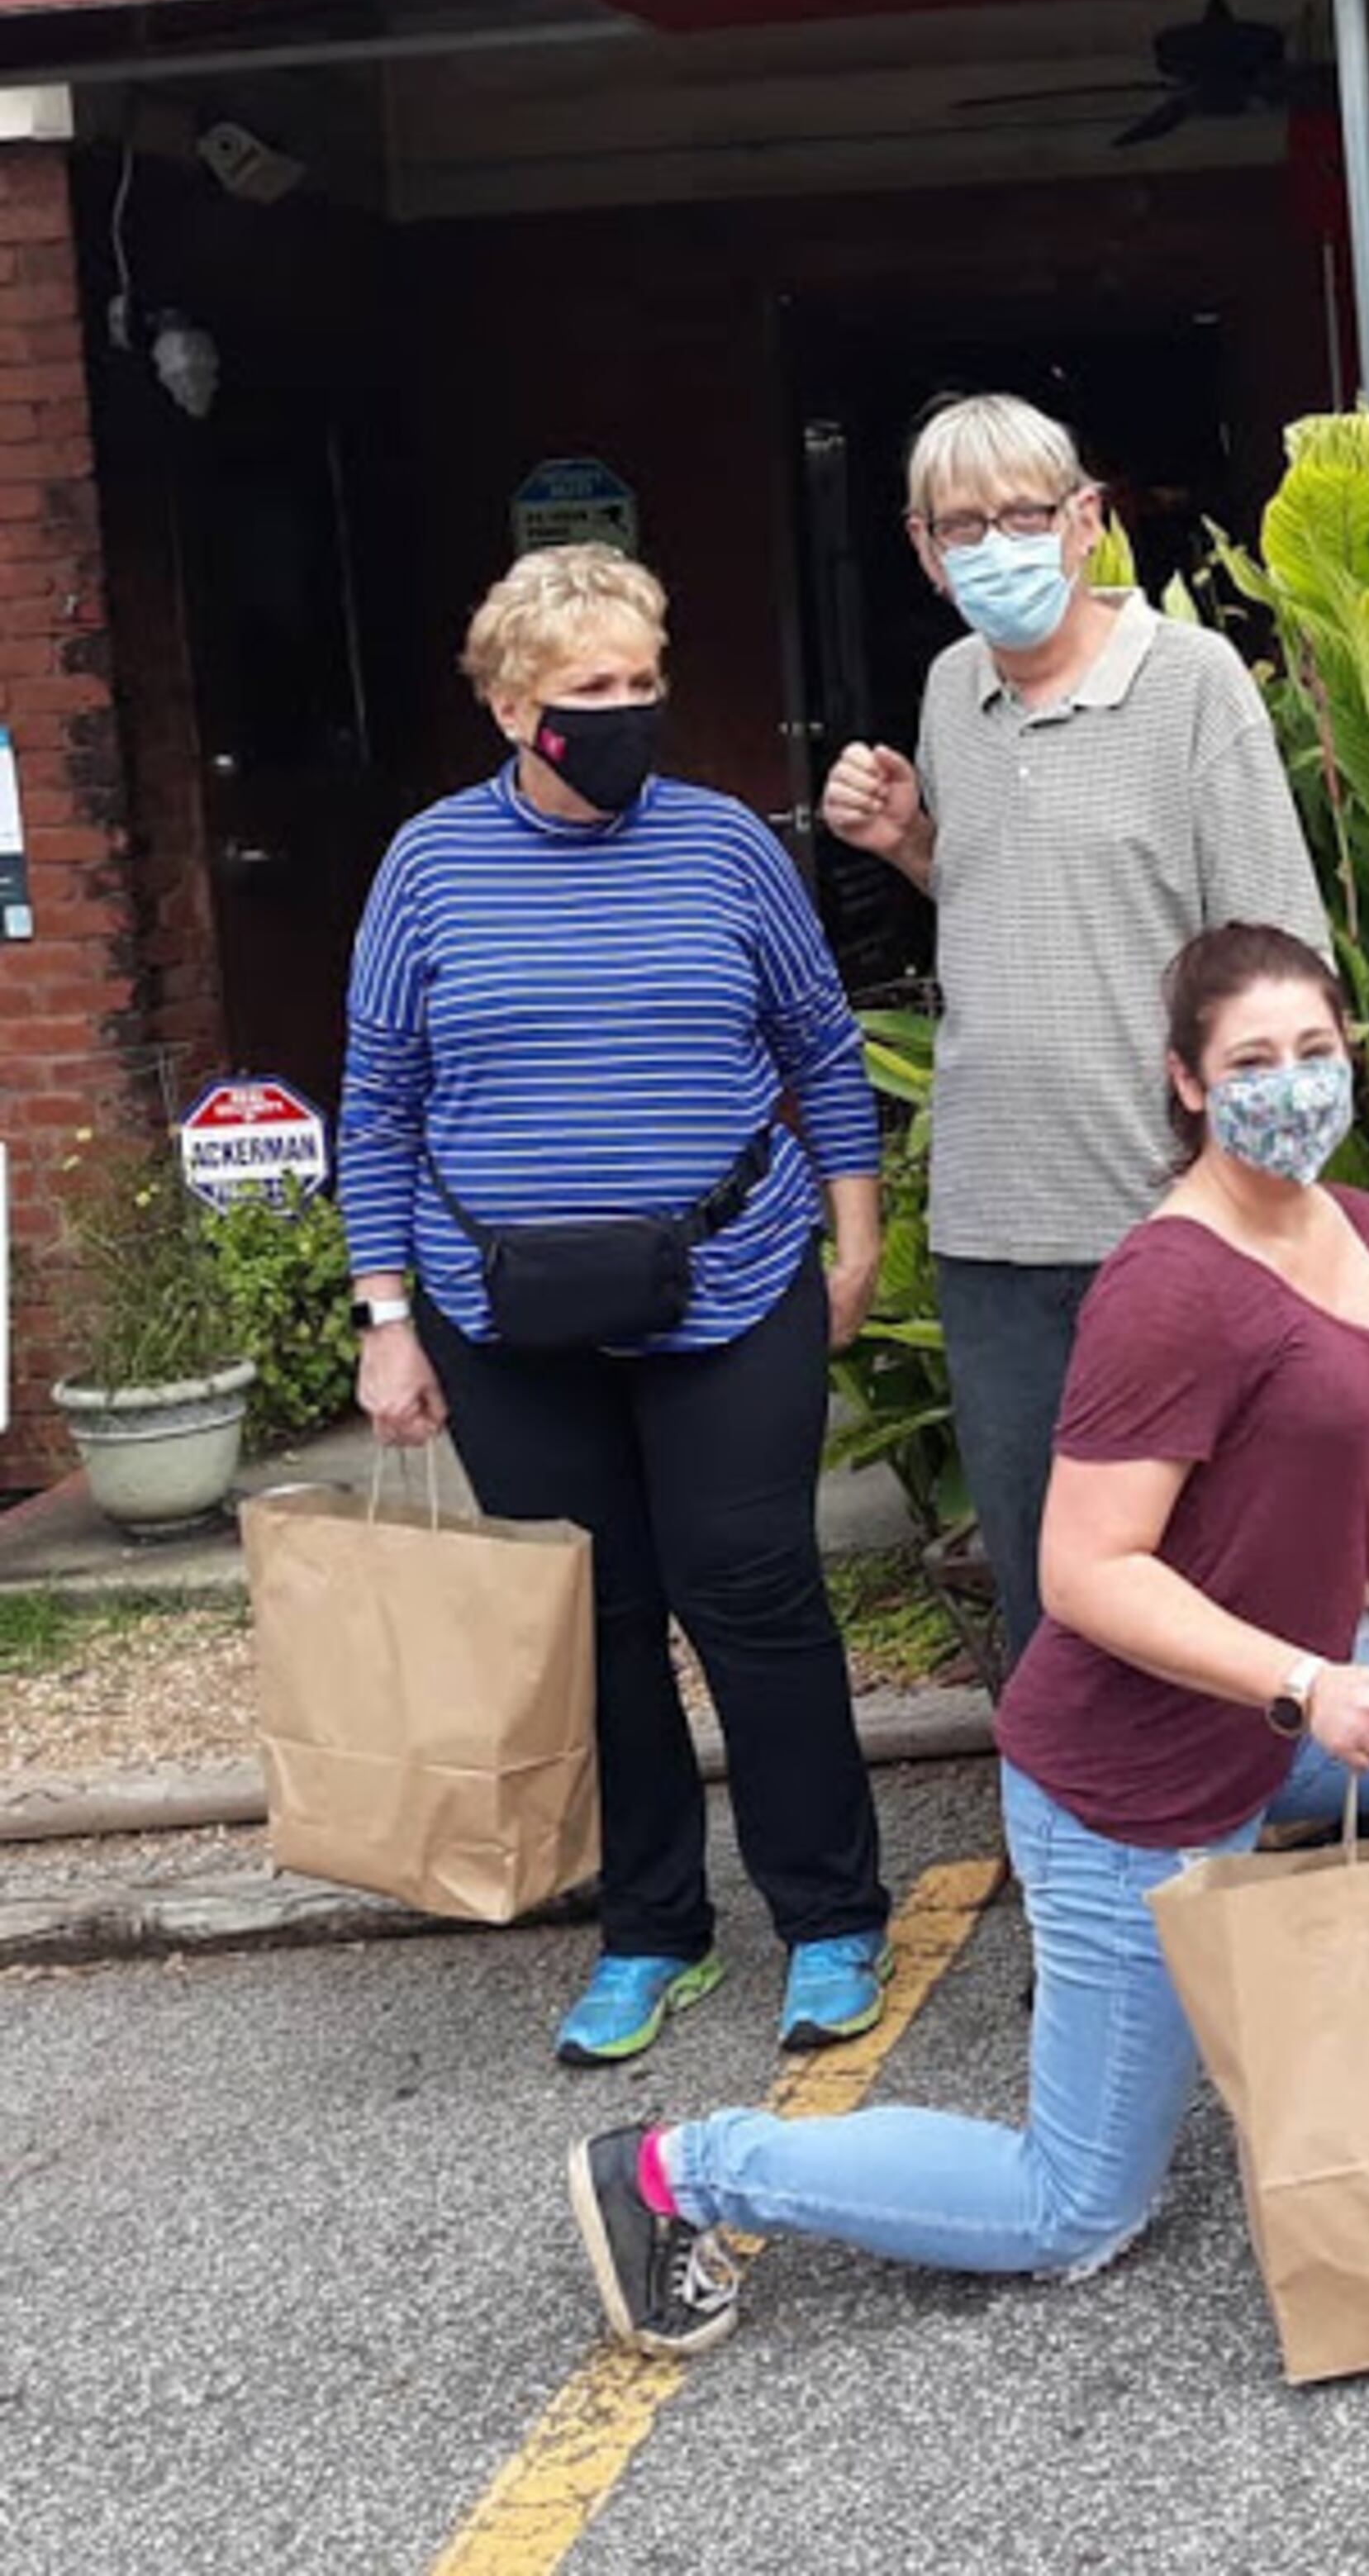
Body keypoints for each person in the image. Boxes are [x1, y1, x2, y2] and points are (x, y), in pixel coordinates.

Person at [567, 923, 1369, 2354]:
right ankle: (681, 2172)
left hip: (1293, 1721)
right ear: (1188, 1083)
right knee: (1072, 2210)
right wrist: (1305, 1680)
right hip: (1133, 1781)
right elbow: (1082, 1572)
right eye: (1252, 1063)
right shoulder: (1170, 1286)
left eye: (1315, 1052)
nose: (1293, 1086)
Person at [342, 545, 892, 2065]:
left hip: (733, 1283)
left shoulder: (726, 847)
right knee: (595, 1621)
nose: (629, 710)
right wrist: (384, 1316)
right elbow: (378, 1101)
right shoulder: (428, 868)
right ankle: (652, 1929)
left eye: (645, 681)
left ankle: (831, 1914)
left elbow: (822, 1045)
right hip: (503, 1314)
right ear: (513, 705)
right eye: (593, 687)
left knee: (755, 1593)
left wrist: (855, 1240)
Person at [819, 395, 1327, 1673]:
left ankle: (1234, 1798)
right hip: (995, 1223)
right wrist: (912, 845)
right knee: (1047, 1589)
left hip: (1171, 1217)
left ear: (1086, 522)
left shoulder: (1192, 683)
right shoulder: (951, 691)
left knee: (1208, 1575)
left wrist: (1258, 1192)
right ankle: (1064, 1803)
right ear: (924, 549)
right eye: (962, 525)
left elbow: (1278, 957)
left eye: (1025, 515)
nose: (996, 545)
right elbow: (1009, 896)